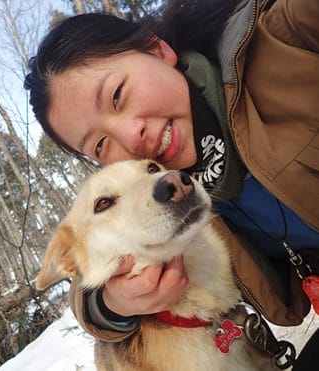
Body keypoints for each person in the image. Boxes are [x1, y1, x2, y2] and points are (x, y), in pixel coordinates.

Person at [25, 0, 319, 368]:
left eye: (118, 95)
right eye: (101, 145)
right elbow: (90, 252)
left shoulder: (284, 38)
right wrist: (109, 305)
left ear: (158, 49)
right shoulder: (185, 202)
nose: (132, 137)